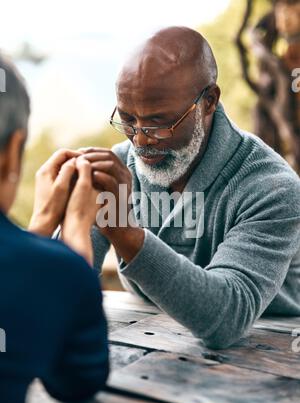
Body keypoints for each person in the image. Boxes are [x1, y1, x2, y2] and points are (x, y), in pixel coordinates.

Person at [84, 26, 300, 349]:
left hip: (272, 354)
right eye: (128, 120)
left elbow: (226, 316)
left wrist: (127, 235)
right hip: (150, 342)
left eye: (159, 123)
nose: (140, 140)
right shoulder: (120, 170)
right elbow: (63, 288)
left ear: (209, 101)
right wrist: (58, 215)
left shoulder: (273, 190)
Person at [0, 54, 109, 403]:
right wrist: (76, 231)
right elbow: (75, 382)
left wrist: (43, 222)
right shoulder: (54, 273)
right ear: (13, 150)